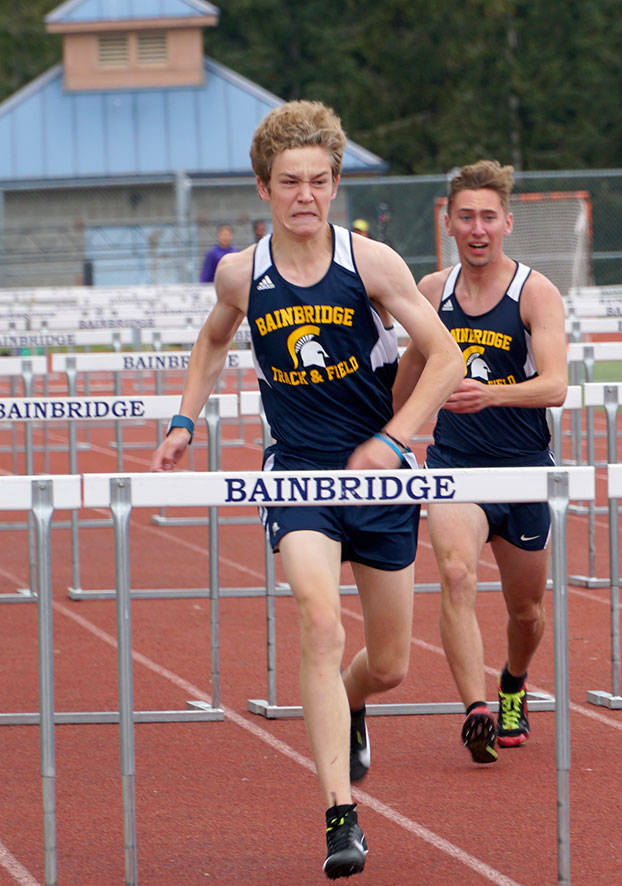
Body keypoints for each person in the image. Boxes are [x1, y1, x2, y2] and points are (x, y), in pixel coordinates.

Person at [151, 100, 463, 878]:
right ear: (264, 187)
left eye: (319, 181)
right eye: (290, 181)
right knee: (320, 624)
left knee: (389, 664)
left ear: (335, 184)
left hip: (379, 478)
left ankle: (354, 702)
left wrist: (393, 441)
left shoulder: (372, 263)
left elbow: (446, 357)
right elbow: (212, 342)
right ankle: (340, 816)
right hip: (298, 474)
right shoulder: (241, 273)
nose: (306, 196)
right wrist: (184, 422)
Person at [395, 159, 567, 764]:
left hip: (523, 468)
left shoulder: (535, 293)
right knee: (456, 574)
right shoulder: (430, 292)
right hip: (454, 465)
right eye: (465, 216)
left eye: (488, 217)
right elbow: (409, 371)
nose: (477, 228)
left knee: (527, 611)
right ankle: (476, 711)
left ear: (507, 223)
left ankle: (513, 683)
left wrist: (490, 394)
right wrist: (387, 437)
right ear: (447, 222)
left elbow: (555, 386)